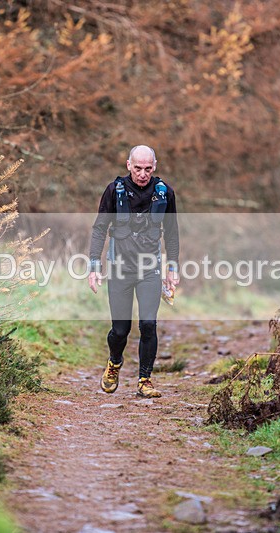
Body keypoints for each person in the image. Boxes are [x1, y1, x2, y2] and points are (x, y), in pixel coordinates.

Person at [87, 145, 180, 398]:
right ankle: (114, 362)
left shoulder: (165, 193)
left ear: (155, 166)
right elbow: (99, 229)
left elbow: (172, 233)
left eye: (148, 169)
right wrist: (94, 266)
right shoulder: (113, 190)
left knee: (148, 324)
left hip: (150, 270)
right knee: (120, 330)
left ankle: (144, 380)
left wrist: (172, 267)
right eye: (137, 168)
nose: (142, 174)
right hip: (120, 269)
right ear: (128, 165)